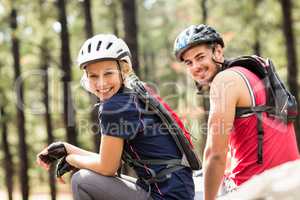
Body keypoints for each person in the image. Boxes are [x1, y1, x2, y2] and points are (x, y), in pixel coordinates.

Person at [36, 34, 195, 200]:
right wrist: (66, 149)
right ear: (86, 79)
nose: (101, 83)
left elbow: (108, 167)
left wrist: (72, 159)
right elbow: (110, 161)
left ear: (124, 70)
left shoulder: (115, 106)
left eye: (108, 73)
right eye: (93, 76)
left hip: (165, 195)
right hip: (174, 190)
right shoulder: (134, 95)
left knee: (81, 180)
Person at [173, 24, 300, 200]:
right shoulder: (250, 73)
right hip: (290, 179)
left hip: (258, 189)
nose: (195, 67)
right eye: (189, 62)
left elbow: (215, 154)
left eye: (200, 57)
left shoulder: (224, 81)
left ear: (217, 51)